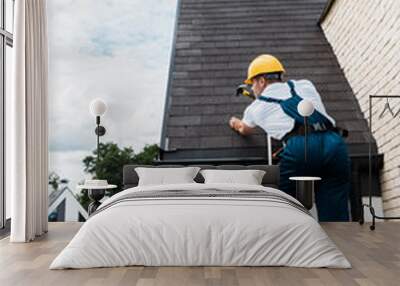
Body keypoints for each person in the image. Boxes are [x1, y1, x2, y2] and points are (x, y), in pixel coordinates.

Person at [229, 54, 350, 221]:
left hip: (300, 148)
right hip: (334, 142)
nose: (252, 89)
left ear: (261, 81)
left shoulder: (255, 108)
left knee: (287, 207)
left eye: (253, 84)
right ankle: (337, 242)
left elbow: (245, 129)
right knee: (335, 210)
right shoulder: (305, 85)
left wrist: (235, 122)